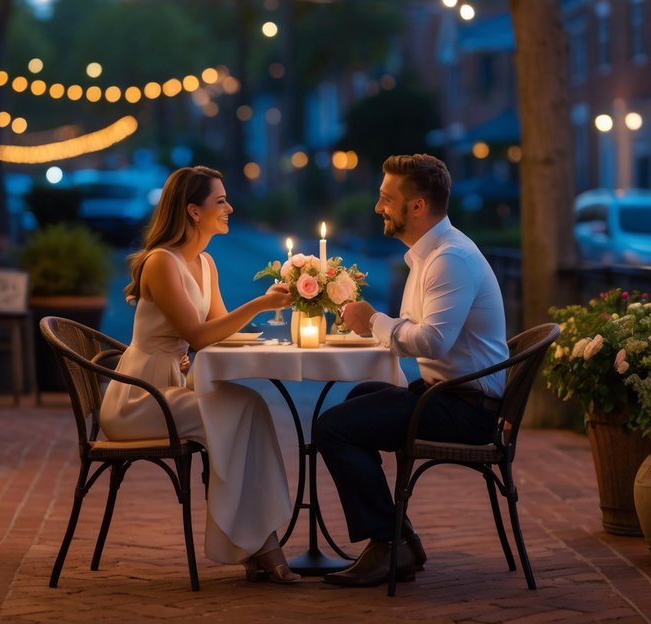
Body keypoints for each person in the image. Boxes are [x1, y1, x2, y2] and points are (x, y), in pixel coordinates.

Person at [314, 153, 509, 588]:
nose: (378, 207)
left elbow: (432, 340)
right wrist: (378, 326)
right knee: (360, 398)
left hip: (467, 408)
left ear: (417, 206)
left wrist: (372, 322)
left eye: (386, 198)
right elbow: (426, 336)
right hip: (449, 393)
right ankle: (402, 541)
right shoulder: (430, 255)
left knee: (333, 428)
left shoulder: (449, 259)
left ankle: (388, 545)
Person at [99, 165, 299, 583]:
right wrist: (261, 305)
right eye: (220, 200)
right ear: (193, 211)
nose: (229, 207)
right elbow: (196, 333)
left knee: (251, 406)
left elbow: (216, 335)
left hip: (172, 389)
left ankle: (256, 539)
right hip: (141, 397)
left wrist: (270, 336)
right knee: (239, 411)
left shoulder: (206, 264)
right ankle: (258, 543)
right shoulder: (161, 263)